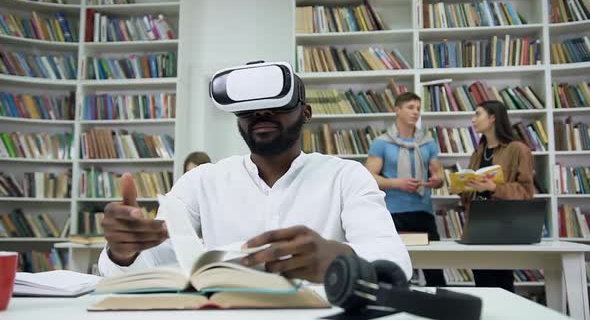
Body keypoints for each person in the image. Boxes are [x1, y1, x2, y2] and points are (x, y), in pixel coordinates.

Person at [98, 62, 412, 283]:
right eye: (249, 107)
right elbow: (150, 264)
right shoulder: (201, 181)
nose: (261, 112)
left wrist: (339, 258)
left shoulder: (346, 176)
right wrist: (123, 250)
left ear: (306, 113)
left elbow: (395, 262)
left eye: (275, 103)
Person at [365, 92, 446, 287]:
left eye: (418, 108)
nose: (416, 112)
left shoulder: (428, 142)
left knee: (435, 271)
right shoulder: (381, 143)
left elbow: (439, 176)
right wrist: (397, 183)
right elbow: (368, 178)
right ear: (397, 110)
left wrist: (437, 180)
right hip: (393, 215)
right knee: (396, 270)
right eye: (410, 107)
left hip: (423, 213)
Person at [457, 100, 535, 292]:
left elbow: (526, 191)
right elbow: (472, 192)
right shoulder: (478, 152)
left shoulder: (518, 149)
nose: (473, 119)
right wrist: (462, 187)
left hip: (504, 227)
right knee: (481, 286)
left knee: (502, 285)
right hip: (476, 226)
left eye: (477, 114)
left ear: (492, 118)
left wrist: (494, 188)